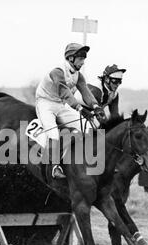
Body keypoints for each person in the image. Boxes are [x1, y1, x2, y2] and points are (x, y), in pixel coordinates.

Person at [35, 43, 105, 179]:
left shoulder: (79, 75)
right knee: (53, 133)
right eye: (81, 59)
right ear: (71, 58)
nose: (83, 62)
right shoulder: (58, 71)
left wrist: (96, 107)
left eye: (84, 59)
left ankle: (89, 160)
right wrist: (79, 108)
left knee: (91, 125)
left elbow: (86, 92)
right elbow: (64, 92)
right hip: (45, 103)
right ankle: (55, 168)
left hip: (61, 104)